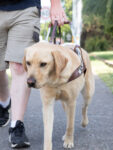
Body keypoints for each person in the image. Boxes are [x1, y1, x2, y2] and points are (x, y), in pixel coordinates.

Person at [0, 0, 68, 148]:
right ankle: (4, 102)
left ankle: (16, 125)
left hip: (26, 8)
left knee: (20, 66)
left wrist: (55, 5)